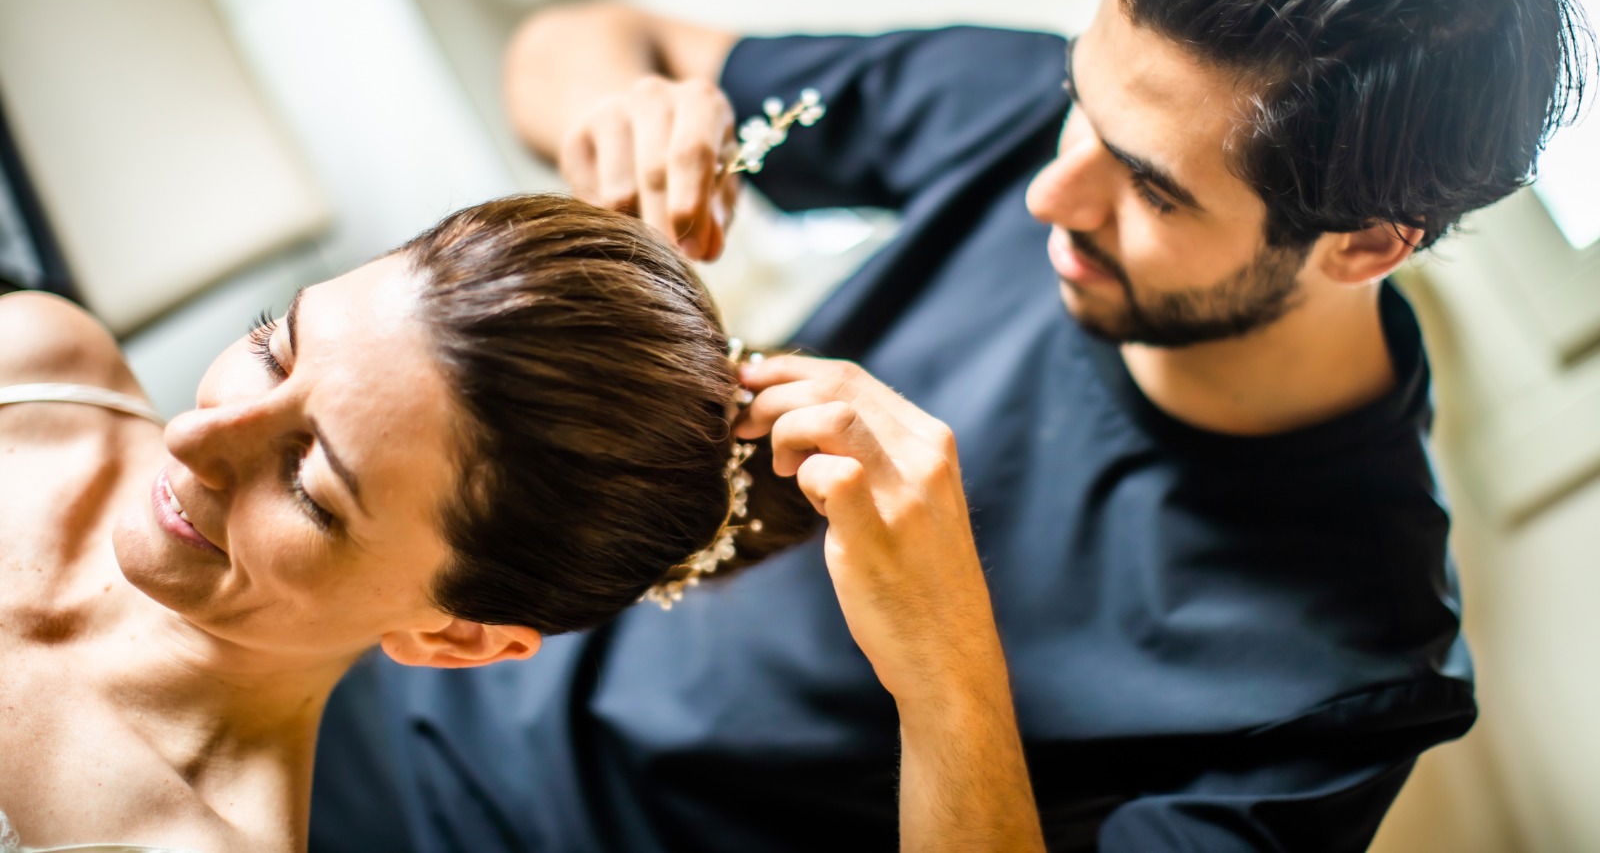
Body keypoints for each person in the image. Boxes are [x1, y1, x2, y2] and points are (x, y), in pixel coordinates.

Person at [310, 0, 1590, 850]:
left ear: (1366, 245)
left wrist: (944, 660)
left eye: (1148, 186)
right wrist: (622, 110)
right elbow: (576, 41)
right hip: (378, 701)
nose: (1053, 184)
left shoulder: (1342, 679)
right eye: (1087, 104)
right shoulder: (1011, 103)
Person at [0, 194, 1037, 851]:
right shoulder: (41, 367)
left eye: (313, 486)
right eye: (275, 345)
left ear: (452, 637)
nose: (196, 437)